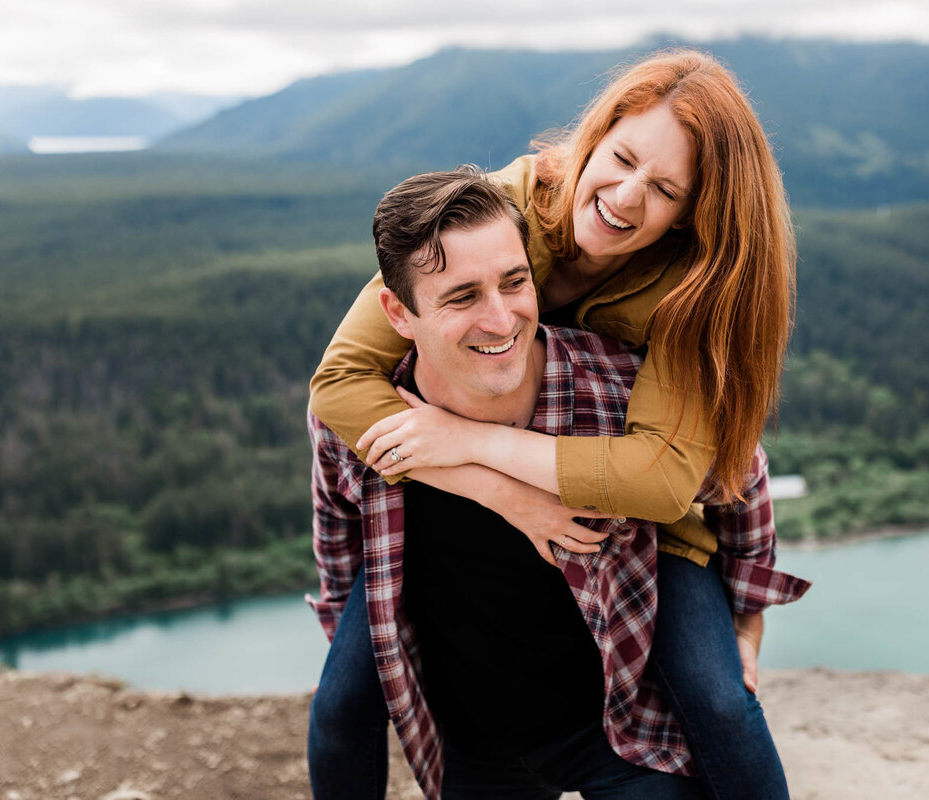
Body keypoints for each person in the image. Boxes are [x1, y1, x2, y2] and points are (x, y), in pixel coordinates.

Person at [310, 49, 805, 799]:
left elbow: (670, 479)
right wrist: (500, 489)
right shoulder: (493, 211)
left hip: (634, 516)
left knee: (718, 702)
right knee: (346, 700)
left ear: (690, 214)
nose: (627, 196)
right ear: (594, 137)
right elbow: (339, 384)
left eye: (665, 189)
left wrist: (477, 441)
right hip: (471, 500)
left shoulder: (689, 289)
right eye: (623, 157)